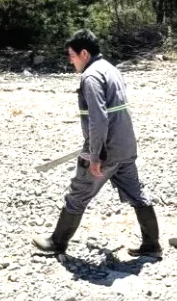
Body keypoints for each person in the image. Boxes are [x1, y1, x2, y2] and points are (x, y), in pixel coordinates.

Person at [32, 29, 162, 258]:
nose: (70, 60)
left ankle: (56, 242)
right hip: (126, 148)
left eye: (71, 55)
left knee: (78, 194)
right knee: (137, 194)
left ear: (84, 53)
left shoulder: (91, 76)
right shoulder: (111, 70)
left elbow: (99, 118)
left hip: (106, 152)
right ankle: (152, 245)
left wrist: (95, 155)